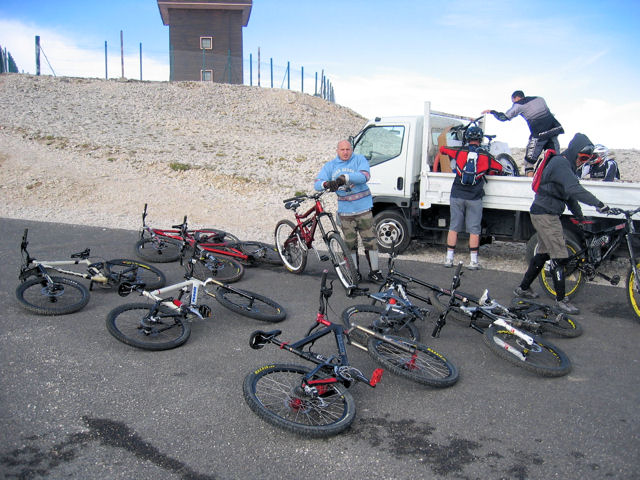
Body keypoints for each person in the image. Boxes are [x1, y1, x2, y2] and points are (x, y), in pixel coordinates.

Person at [514, 133, 610, 315]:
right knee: (560, 256)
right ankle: (561, 300)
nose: (583, 162)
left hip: (545, 212)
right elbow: (575, 190)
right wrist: (599, 204)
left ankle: (523, 288)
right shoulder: (561, 163)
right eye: (582, 157)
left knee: (543, 253)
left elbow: (570, 197)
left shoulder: (567, 167)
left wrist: (580, 218)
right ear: (575, 152)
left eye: (587, 159)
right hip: (546, 214)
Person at [314, 139, 383, 283]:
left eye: (348, 149)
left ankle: (375, 272)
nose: (345, 152)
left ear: (351, 150)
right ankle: (354, 272)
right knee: (350, 244)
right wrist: (326, 183)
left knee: (370, 241)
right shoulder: (330, 166)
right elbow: (317, 184)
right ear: (337, 151)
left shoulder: (359, 159)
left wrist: (345, 178)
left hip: (363, 209)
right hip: (345, 212)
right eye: (342, 150)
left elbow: (365, 176)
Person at [439, 125, 504, 270]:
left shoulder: (460, 151)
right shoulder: (486, 156)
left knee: (454, 227)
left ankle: (449, 259)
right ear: (480, 139)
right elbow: (499, 167)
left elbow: (442, 150)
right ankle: (473, 261)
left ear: (467, 138)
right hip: (475, 197)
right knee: (474, 229)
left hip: (457, 195)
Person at [482, 90, 564, 176]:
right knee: (555, 159)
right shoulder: (540, 99)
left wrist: (492, 111)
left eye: (512, 101)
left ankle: (529, 185)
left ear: (516, 98)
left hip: (539, 134)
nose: (513, 103)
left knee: (529, 163)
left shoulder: (518, 104)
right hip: (554, 129)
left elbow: (504, 117)